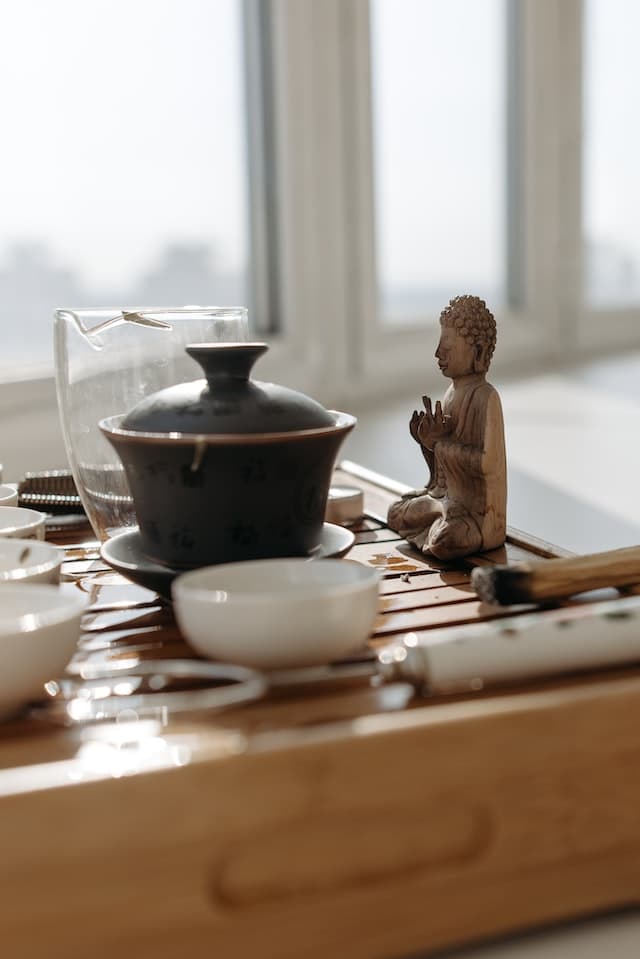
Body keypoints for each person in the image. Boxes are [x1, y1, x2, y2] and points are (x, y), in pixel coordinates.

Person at [387, 295, 507, 560]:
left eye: (448, 346)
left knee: (446, 540)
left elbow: (488, 464)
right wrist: (426, 443)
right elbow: (440, 476)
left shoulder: (486, 398)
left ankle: (438, 517)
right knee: (395, 511)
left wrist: (438, 444)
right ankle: (436, 511)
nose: (438, 352)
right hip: (446, 500)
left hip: (476, 516)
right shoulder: (450, 393)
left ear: (478, 352)